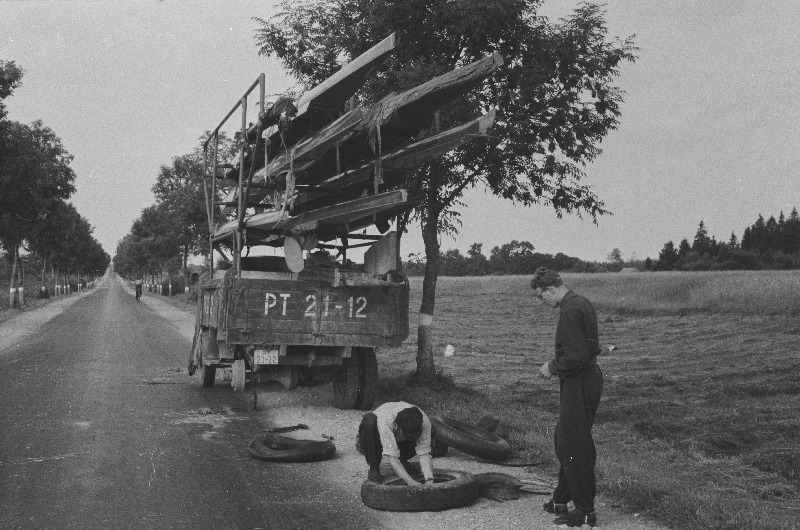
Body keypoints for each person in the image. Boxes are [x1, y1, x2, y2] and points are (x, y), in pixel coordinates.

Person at [530, 267, 603, 528]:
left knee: (574, 445)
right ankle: (562, 499)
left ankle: (584, 511)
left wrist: (551, 367)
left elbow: (575, 356)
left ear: (550, 289)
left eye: (541, 296)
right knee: (565, 440)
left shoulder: (570, 310)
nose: (542, 301)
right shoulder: (580, 302)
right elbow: (591, 347)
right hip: (586, 378)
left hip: (580, 379)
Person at [356, 401, 436, 485]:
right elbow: (392, 457)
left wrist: (429, 480)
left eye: (417, 435)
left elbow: (424, 453)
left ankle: (402, 461)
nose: (415, 438)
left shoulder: (424, 420)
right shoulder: (385, 423)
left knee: (432, 430)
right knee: (369, 420)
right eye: (411, 436)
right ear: (400, 429)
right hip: (376, 436)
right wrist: (410, 482)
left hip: (400, 437)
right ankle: (374, 467)